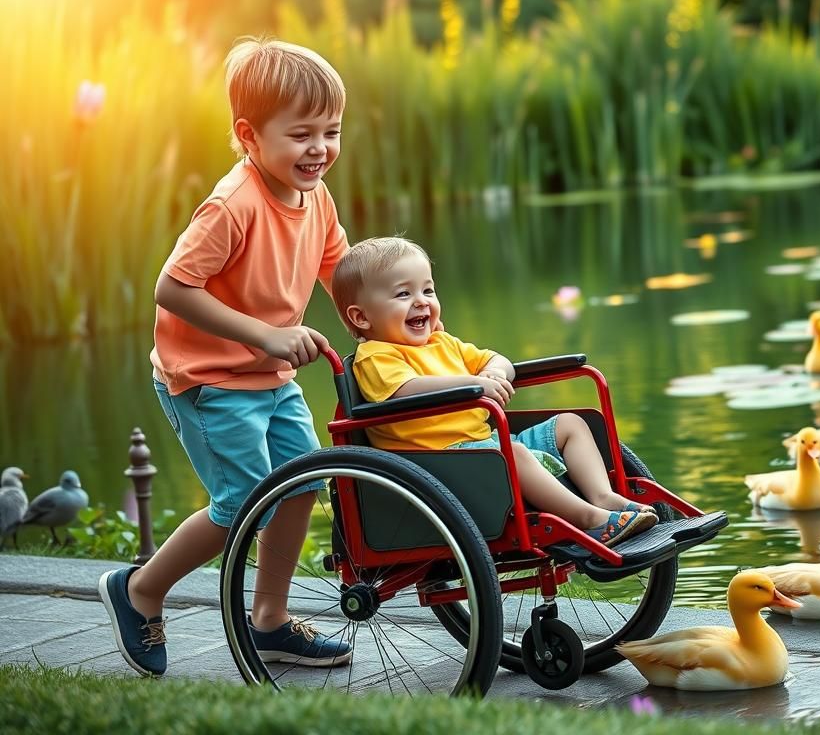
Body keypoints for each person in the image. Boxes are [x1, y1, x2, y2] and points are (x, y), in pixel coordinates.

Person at [98, 38, 352, 677]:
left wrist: (394, 321)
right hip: (209, 379)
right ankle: (139, 590)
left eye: (331, 132)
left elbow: (341, 273)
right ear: (248, 135)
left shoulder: (315, 197)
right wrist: (265, 336)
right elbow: (172, 288)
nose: (320, 149)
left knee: (302, 484)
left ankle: (269, 622)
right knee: (242, 503)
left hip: (270, 375)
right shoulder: (233, 205)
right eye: (301, 134)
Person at [331, 237, 658, 547]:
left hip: (484, 447)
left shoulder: (442, 342)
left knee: (570, 424)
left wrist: (493, 374)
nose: (421, 301)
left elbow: (497, 360)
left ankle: (603, 496)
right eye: (403, 294)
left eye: (428, 290)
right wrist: (470, 384)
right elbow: (405, 390)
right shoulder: (375, 356)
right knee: (511, 455)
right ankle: (589, 519)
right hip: (440, 461)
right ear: (361, 317)